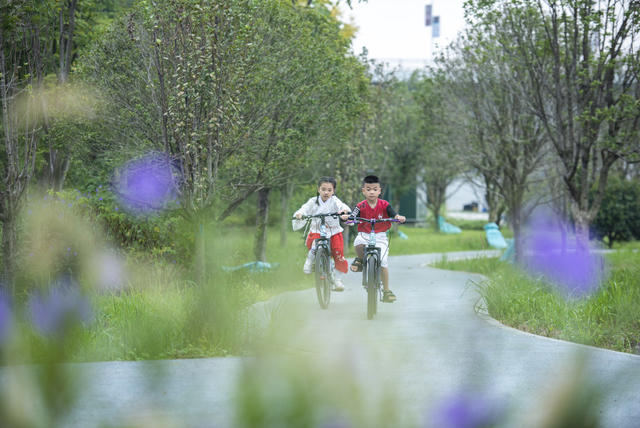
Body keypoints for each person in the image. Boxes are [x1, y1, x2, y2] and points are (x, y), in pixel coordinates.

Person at [343, 175, 406, 302]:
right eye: (368, 189)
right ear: (363, 191)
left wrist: (399, 217)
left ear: (379, 191)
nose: (372, 192)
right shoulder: (360, 206)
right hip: (364, 234)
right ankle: (361, 260)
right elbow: (353, 216)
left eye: (375, 189)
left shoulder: (385, 205)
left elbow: (394, 214)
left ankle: (386, 291)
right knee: (358, 242)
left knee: (383, 263)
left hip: (381, 236)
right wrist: (349, 218)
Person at [293, 177, 351, 291]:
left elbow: (342, 206)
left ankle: (337, 279)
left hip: (333, 231)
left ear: (333, 191)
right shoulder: (313, 201)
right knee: (315, 245)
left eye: (329, 190)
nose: (326, 192)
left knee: (338, 253)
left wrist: (344, 212)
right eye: (323, 189)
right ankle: (310, 261)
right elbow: (305, 208)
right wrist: (300, 213)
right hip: (317, 230)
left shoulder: (335, 201)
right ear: (318, 189)